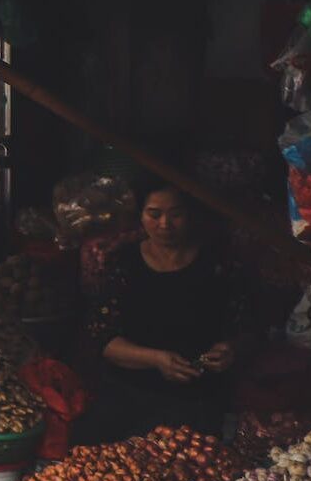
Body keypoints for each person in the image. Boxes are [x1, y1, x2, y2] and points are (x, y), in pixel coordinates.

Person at [77, 178, 253, 443]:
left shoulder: (219, 264)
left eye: (176, 214)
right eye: (154, 214)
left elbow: (245, 329)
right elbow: (104, 339)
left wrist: (229, 350)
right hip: (128, 395)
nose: (164, 225)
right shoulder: (122, 263)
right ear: (141, 216)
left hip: (197, 398)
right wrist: (157, 359)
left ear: (190, 215)